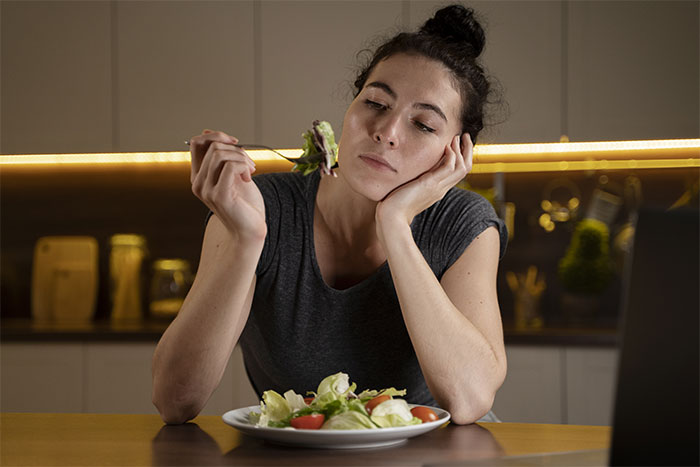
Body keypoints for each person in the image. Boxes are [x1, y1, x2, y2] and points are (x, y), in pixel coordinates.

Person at [152, 4, 508, 426]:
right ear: (351, 107)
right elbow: (175, 399)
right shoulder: (254, 208)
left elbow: (469, 400)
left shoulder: (463, 223)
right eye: (376, 102)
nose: (387, 132)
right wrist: (247, 240)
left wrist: (394, 224)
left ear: (456, 153)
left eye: (424, 125)